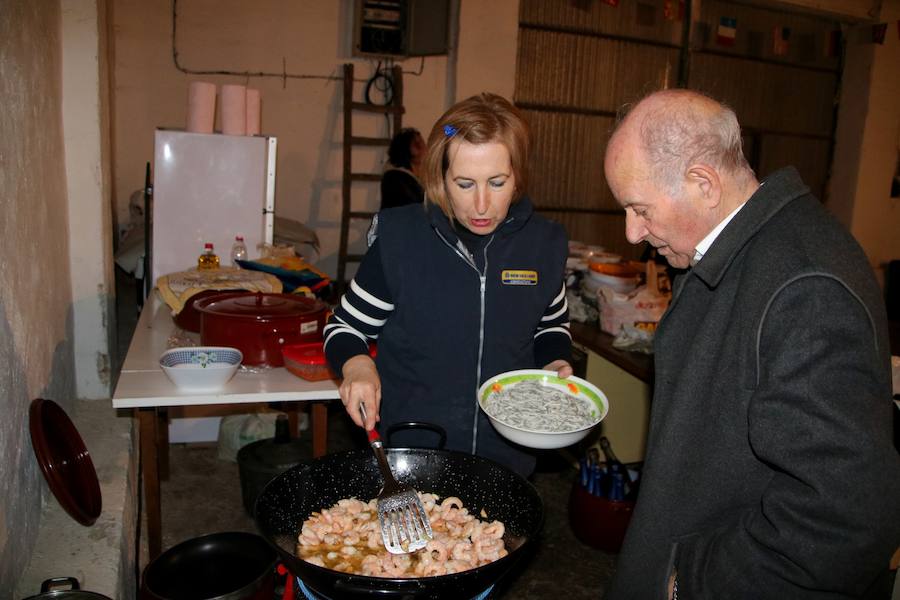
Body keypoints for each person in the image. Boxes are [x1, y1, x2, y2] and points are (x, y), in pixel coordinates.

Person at [602, 88, 900, 599]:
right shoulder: (740, 249)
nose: (632, 232)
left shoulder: (806, 288)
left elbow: (845, 518)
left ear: (703, 183)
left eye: (640, 208)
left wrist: (692, 580)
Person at [325, 93, 573, 477]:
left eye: (497, 182)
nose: (481, 204)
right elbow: (344, 328)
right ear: (440, 176)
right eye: (464, 183)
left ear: (518, 175)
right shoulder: (401, 241)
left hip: (507, 456)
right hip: (414, 452)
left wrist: (554, 363)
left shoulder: (543, 246)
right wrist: (356, 364)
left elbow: (550, 325)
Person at [380, 127, 425, 209]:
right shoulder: (395, 178)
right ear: (404, 150)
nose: (424, 149)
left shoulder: (413, 177)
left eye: (422, 144)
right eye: (417, 145)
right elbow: (416, 206)